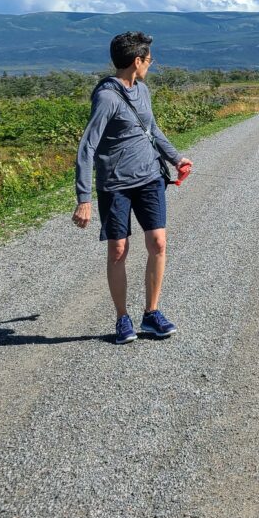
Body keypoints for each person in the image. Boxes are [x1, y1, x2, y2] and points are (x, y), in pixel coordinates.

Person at [73, 31, 193, 345]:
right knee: (118, 250)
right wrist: (83, 198)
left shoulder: (143, 90)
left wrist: (176, 157)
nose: (150, 65)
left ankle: (151, 314)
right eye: (149, 60)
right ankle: (122, 318)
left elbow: (151, 129)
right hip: (115, 185)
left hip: (150, 177)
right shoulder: (106, 97)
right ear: (136, 61)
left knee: (158, 243)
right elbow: (87, 147)